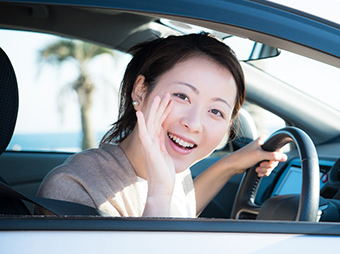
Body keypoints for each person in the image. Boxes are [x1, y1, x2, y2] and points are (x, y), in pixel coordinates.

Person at [37, 33, 287, 217]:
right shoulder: (74, 189)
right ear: (141, 90)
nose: (193, 124)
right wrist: (158, 193)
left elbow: (184, 208)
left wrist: (231, 165)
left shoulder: (174, 172)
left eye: (215, 111)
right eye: (182, 96)